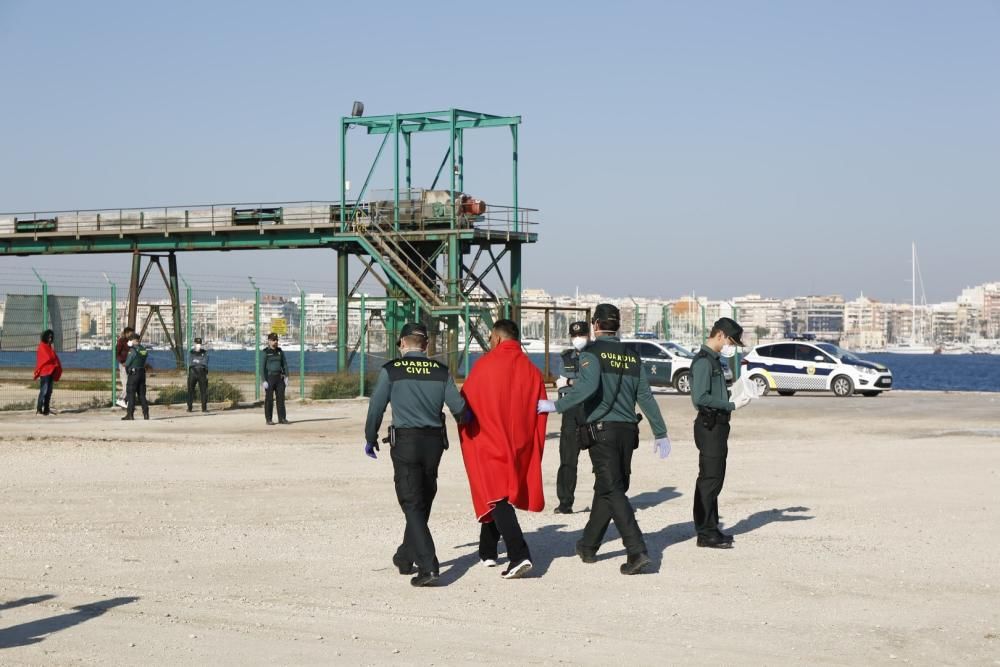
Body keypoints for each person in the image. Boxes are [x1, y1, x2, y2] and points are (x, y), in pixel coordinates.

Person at [539, 303, 669, 575]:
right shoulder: (633, 356)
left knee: (612, 490)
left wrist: (556, 406)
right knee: (607, 488)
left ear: (596, 326)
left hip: (602, 431)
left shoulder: (591, 353)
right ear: (617, 325)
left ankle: (637, 551)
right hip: (627, 432)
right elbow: (644, 395)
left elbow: (588, 386)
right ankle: (588, 545)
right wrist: (660, 431)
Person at [364, 322, 468, 587]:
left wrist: (370, 437)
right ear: (427, 345)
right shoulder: (441, 371)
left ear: (401, 344)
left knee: (411, 501)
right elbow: (459, 408)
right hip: (434, 444)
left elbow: (376, 406)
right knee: (423, 498)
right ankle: (405, 555)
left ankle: (428, 565)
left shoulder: (392, 370)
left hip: (406, 442)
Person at [459, 319, 548, 580]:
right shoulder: (532, 371)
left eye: (489, 339)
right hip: (519, 442)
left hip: (489, 440)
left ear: (496, 338)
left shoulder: (484, 366)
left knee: (495, 496)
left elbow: (464, 405)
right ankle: (487, 550)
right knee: (498, 494)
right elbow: (540, 411)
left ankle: (519, 554)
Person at [689, 317, 751, 549]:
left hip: (718, 425)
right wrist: (731, 405)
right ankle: (705, 532)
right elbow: (700, 398)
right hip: (710, 425)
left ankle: (711, 527)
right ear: (720, 336)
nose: (731, 348)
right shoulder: (704, 362)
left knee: (714, 478)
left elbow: (716, 392)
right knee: (710, 480)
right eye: (731, 342)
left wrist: (733, 394)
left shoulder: (714, 361)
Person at [554, 321, 591, 514]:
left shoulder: (596, 355)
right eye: (575, 336)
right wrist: (573, 383)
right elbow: (563, 387)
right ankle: (565, 503)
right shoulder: (566, 358)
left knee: (601, 460)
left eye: (582, 335)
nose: (578, 339)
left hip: (592, 410)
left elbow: (591, 383)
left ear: (589, 335)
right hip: (571, 411)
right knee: (567, 460)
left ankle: (606, 501)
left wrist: (570, 381)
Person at [261, 333, 289, 425]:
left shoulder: (280, 352)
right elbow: (262, 368)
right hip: (270, 378)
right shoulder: (265, 352)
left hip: (279, 378)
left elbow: (284, 364)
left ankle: (282, 418)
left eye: (276, 340)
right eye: (273, 340)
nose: (275, 342)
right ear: (269, 341)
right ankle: (269, 419)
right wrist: (264, 380)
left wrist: (286, 376)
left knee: (281, 399)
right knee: (269, 399)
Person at [33, 329, 62, 416]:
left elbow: (53, 357)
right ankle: (39, 409)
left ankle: (46, 409)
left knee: (49, 391)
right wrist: (53, 361)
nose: (50, 338)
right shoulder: (42, 346)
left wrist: (55, 364)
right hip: (45, 373)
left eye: (51, 337)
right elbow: (46, 358)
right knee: (44, 391)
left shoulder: (50, 347)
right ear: (45, 337)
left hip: (51, 371)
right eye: (48, 337)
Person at [122, 333, 149, 421]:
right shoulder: (143, 349)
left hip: (134, 374)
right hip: (142, 373)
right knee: (142, 395)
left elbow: (128, 362)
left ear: (134, 340)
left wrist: (124, 364)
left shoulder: (132, 350)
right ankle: (146, 414)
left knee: (131, 394)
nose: (129, 342)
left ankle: (130, 414)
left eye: (130, 340)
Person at [187, 337, 209, 412]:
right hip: (192, 372)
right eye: (197, 343)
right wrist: (199, 361)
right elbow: (191, 362)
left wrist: (196, 361)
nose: (198, 345)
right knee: (190, 390)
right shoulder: (191, 352)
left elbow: (205, 362)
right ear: (194, 344)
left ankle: (204, 408)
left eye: (199, 343)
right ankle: (189, 407)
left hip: (202, 373)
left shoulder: (204, 352)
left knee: (203, 391)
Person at [114, 326, 134, 408]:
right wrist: (122, 361)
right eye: (130, 333)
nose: (132, 335)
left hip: (130, 364)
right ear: (126, 333)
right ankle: (121, 399)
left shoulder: (130, 341)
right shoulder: (121, 341)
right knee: (126, 383)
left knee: (130, 384)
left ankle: (125, 400)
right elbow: (117, 352)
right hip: (124, 364)